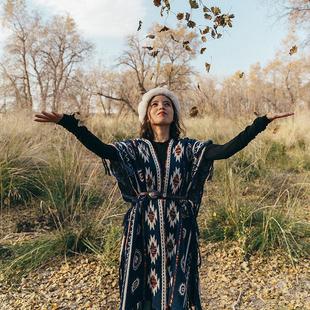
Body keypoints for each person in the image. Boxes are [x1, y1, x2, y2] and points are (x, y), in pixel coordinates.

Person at [34, 87, 294, 310]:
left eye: (167, 104)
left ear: (174, 114)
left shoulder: (189, 148)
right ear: (147, 114)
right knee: (140, 284)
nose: (162, 107)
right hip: (141, 227)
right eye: (155, 104)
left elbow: (226, 150)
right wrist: (68, 122)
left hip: (179, 227)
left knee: (177, 284)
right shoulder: (134, 148)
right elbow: (101, 148)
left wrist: (261, 123)